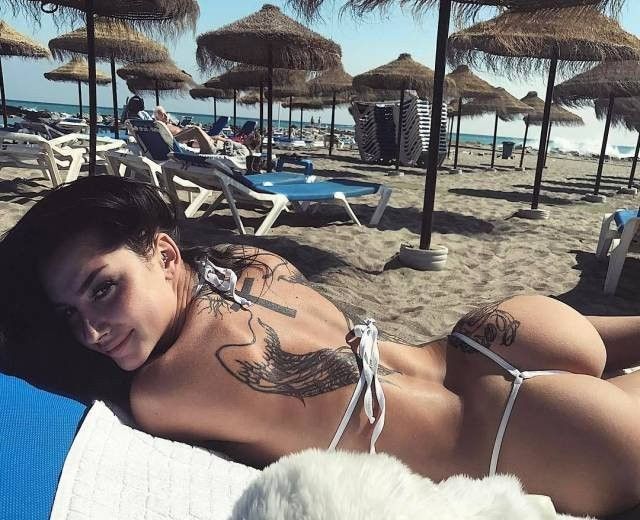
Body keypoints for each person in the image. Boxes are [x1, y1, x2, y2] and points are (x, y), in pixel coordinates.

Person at [2, 175, 640, 518]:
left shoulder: (163, 390)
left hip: (513, 434)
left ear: (165, 255)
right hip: (492, 334)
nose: (90, 332)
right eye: (69, 314)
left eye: (104, 289)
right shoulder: (248, 259)